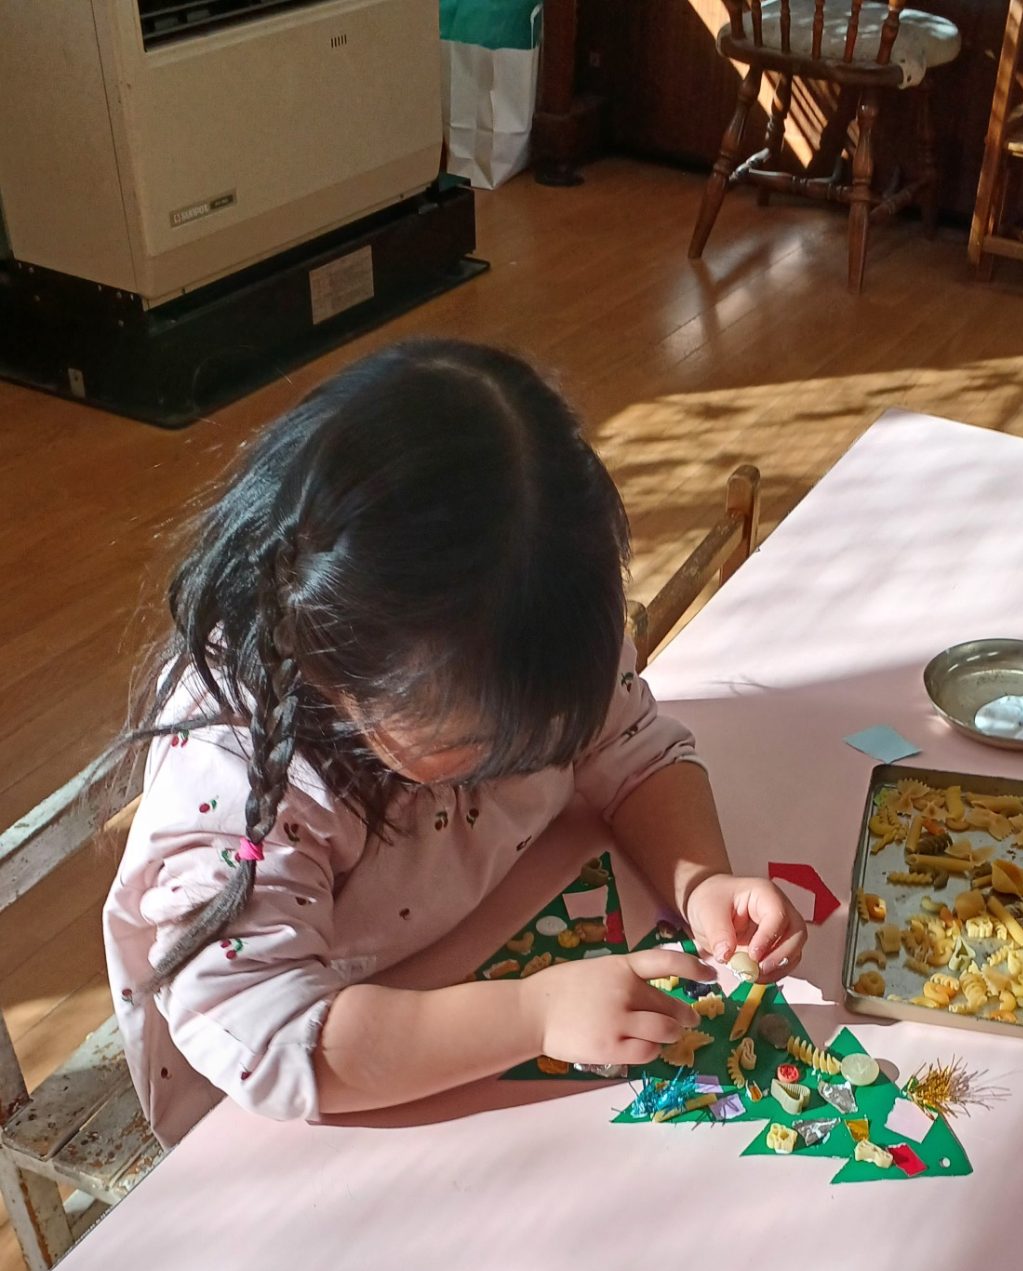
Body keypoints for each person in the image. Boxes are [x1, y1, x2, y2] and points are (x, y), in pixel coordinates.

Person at [105, 339, 806, 1144]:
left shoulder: (532, 621)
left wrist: (700, 882)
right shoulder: (243, 776)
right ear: (340, 669)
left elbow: (631, 748)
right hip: (299, 1106)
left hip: (479, 945)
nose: (527, 757)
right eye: (479, 744)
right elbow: (274, 1042)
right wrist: (534, 1015)